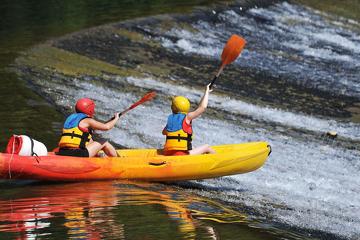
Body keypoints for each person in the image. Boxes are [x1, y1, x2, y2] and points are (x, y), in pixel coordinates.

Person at [162, 84, 216, 156]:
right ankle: (219, 160)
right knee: (207, 147)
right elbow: (202, 107)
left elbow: (164, 132)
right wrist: (206, 92)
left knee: (192, 147)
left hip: (168, 153)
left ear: (172, 108)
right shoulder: (188, 117)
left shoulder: (171, 120)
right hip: (182, 154)